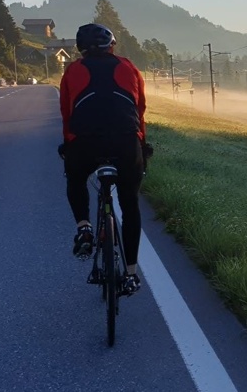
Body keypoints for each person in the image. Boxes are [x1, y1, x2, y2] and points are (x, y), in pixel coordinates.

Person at [59, 23, 148, 296]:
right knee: (130, 202)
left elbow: (67, 112)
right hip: (125, 142)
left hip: (85, 143)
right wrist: (141, 145)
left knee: (75, 178)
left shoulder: (72, 70)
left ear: (81, 50)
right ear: (112, 46)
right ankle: (131, 274)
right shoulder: (129, 67)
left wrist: (68, 146)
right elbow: (140, 107)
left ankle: (84, 226)